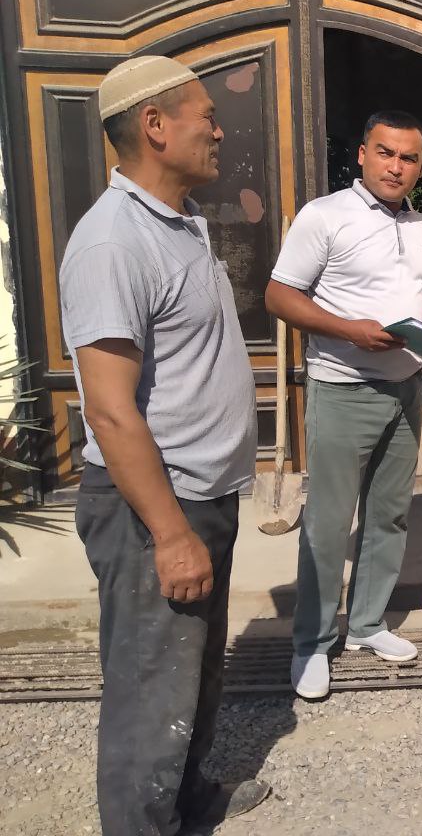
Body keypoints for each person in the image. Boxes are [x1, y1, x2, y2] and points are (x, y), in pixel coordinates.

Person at [60, 55, 270, 835]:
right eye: (205, 115)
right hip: (155, 509)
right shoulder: (114, 243)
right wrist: (172, 535)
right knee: (151, 694)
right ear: (154, 125)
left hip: (199, 495)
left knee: (194, 677)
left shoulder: (177, 223)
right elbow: (111, 412)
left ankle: (189, 801)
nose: (218, 131)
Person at [266, 109, 422, 700]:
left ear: (419, 166)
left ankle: (365, 625)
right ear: (362, 154)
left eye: (409, 158)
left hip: (405, 389)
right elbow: (279, 295)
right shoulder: (325, 216)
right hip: (341, 388)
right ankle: (312, 644)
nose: (396, 166)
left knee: (390, 515)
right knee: (329, 524)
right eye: (385, 153)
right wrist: (349, 330)